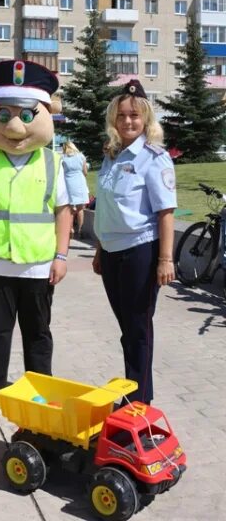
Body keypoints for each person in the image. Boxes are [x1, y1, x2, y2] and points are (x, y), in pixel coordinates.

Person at [0, 59, 72, 429]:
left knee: (38, 335)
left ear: (45, 113)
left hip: (39, 265)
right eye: (4, 113)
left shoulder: (54, 163)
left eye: (27, 114)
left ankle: (40, 398)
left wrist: (61, 256)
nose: (14, 124)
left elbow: (63, 212)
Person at [92, 79, 177, 405]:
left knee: (139, 328)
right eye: (122, 115)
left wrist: (165, 259)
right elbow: (108, 208)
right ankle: (134, 391)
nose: (128, 121)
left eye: (135, 116)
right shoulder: (111, 156)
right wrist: (100, 249)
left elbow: (166, 211)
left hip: (141, 251)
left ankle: (141, 402)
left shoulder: (153, 158)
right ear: (114, 119)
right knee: (127, 327)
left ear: (145, 120)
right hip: (112, 253)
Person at [61, 141, 89, 238]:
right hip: (80, 183)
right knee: (80, 208)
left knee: (71, 208)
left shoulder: (63, 158)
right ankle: (80, 230)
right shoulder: (81, 156)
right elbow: (85, 172)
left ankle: (70, 228)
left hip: (68, 183)